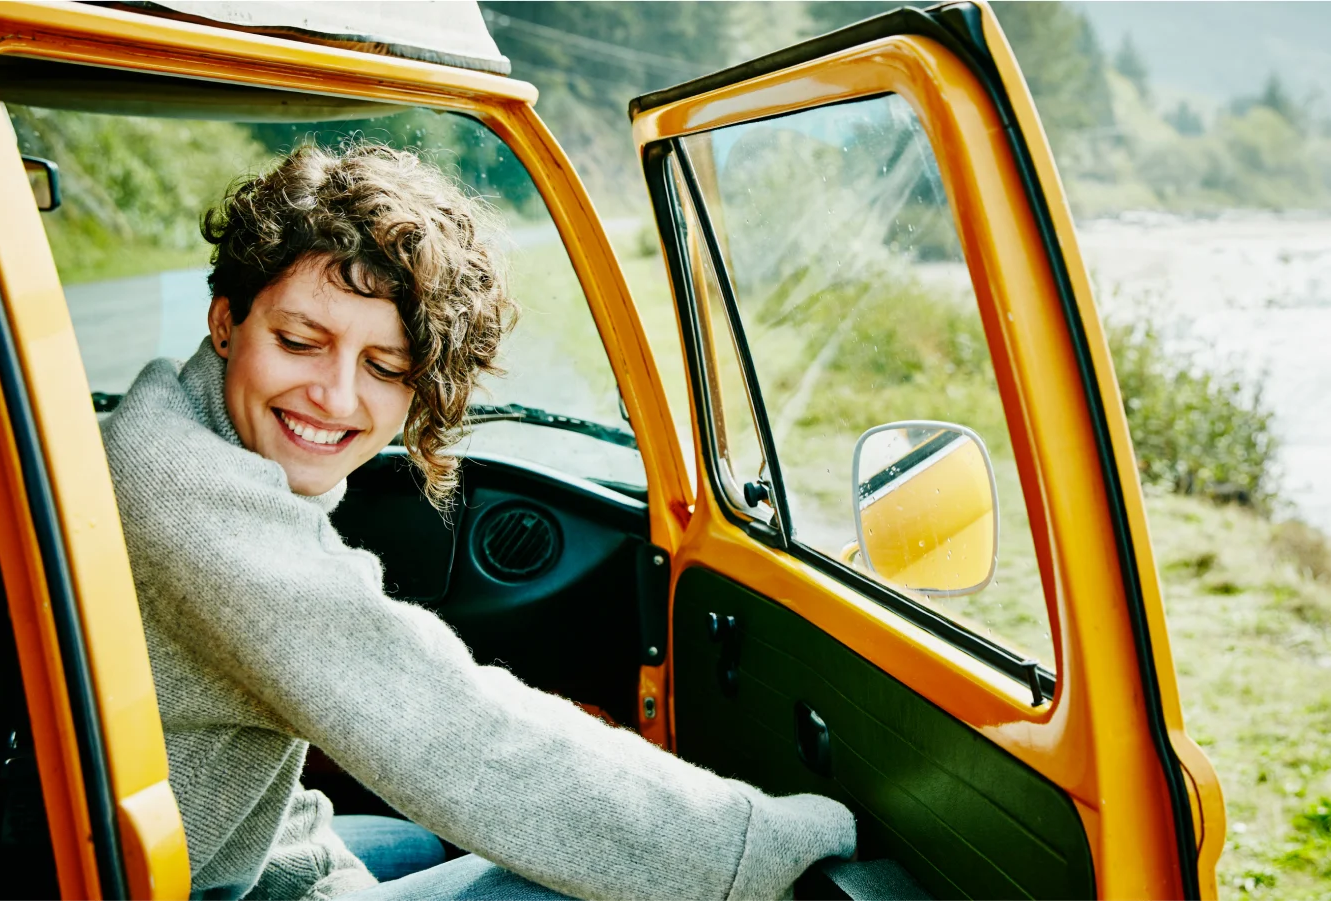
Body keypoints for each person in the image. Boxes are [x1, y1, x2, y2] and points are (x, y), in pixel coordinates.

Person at [99, 142, 855, 900]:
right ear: (226, 322)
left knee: (427, 836)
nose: (334, 396)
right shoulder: (189, 499)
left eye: (386, 368)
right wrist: (753, 846)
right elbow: (460, 735)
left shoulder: (165, 425)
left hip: (201, 854)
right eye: (300, 342)